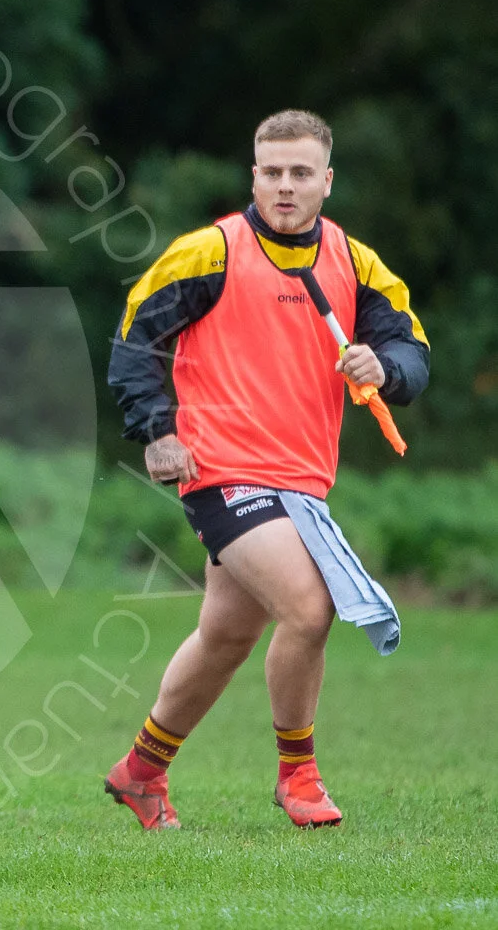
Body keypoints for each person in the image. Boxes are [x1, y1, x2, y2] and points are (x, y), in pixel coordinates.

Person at [104, 109, 429, 830]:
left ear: (326, 182)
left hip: (301, 485)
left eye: (300, 174)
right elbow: (134, 339)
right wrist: (157, 430)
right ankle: (299, 776)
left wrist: (386, 366)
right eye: (272, 172)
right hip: (221, 470)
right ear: (254, 175)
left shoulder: (357, 263)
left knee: (225, 635)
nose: (285, 186)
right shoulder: (209, 251)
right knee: (310, 610)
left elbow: (411, 345)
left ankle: (141, 771)